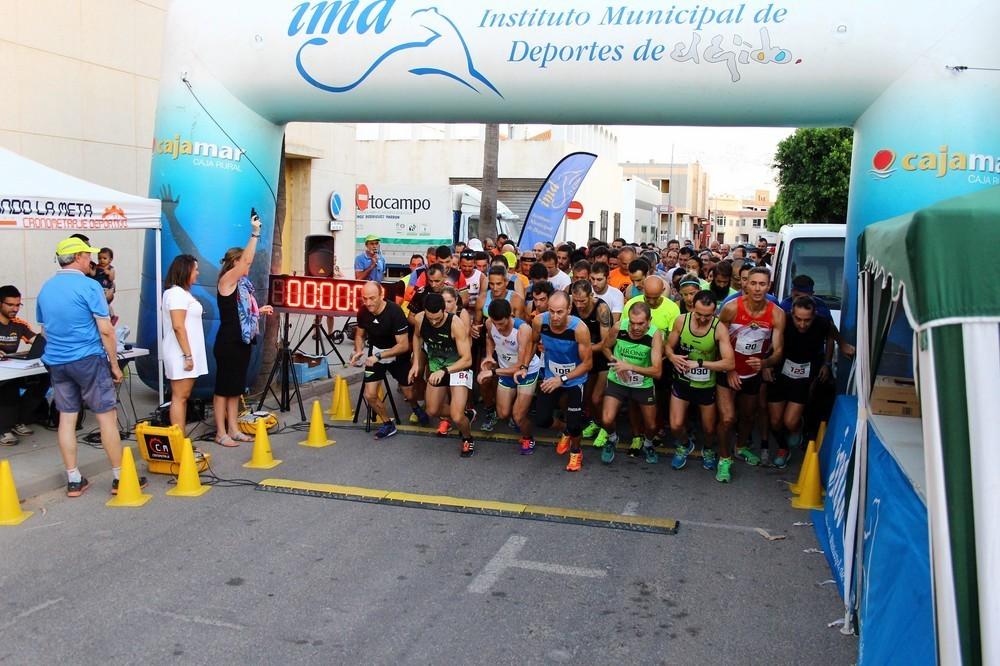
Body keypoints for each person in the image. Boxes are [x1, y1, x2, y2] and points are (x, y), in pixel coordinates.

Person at [36, 237, 138, 497]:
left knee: (67, 418)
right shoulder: (90, 286)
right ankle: (120, 478)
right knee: (106, 417)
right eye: (87, 255)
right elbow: (106, 330)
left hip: (57, 361)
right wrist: (115, 365)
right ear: (78, 257)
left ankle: (74, 479)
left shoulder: (46, 288)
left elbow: (44, 330)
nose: (91, 260)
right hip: (89, 359)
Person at [716, 267, 785, 479]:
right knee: (728, 419)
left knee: (748, 416)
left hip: (752, 373)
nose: (757, 288)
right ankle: (724, 459)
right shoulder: (731, 308)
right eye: (753, 283)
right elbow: (717, 340)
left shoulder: (777, 314)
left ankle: (740, 446)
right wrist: (729, 368)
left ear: (769, 286)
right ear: (745, 284)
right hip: (728, 371)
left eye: (762, 284)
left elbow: (779, 351)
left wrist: (765, 363)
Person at [213, 211, 274, 447]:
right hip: (228, 342)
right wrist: (255, 233)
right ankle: (221, 432)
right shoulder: (227, 280)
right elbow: (248, 259)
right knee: (223, 388)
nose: (248, 264)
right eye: (243, 261)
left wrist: (260, 311)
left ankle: (233, 428)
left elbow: (243, 313)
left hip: (242, 341)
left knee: (235, 388)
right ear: (235, 263)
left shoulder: (243, 285)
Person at [665, 291, 735, 478]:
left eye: (708, 315)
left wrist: (701, 364)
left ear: (714, 312)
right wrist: (672, 357)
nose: (703, 319)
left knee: (709, 429)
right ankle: (684, 445)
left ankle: (709, 449)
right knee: (675, 426)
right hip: (682, 381)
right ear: (692, 308)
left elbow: (729, 363)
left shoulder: (719, 328)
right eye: (699, 314)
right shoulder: (681, 321)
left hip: (705, 386)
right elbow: (668, 346)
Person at [351, 282, 426, 439]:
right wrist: (358, 351)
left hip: (397, 355)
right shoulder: (363, 311)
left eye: (372, 298)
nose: (368, 303)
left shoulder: (395, 312)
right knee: (370, 395)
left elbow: (404, 345)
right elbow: (359, 334)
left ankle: (415, 407)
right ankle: (387, 423)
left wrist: (380, 356)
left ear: (381, 295)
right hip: (375, 355)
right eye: (365, 298)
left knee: (409, 394)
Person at [531, 292, 593, 471]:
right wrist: (523, 365)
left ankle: (576, 451)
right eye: (551, 311)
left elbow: (587, 364)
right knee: (542, 420)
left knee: (575, 424)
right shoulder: (539, 322)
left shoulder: (579, 329)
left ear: (569, 309)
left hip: (574, 380)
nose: (555, 316)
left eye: (559, 312)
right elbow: (532, 343)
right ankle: (566, 429)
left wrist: (562, 379)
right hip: (551, 377)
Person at [408, 293, 476, 457]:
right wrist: (416, 362)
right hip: (437, 366)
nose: (433, 322)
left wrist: (444, 371)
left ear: (444, 310)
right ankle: (467, 414)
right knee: (432, 410)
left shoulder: (455, 324)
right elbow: (417, 337)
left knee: (457, 417)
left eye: (437, 319)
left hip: (457, 367)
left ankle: (467, 438)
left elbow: (467, 359)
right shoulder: (420, 318)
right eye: (430, 319)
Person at [598, 302, 663, 465]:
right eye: (632, 322)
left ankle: (648, 444)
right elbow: (605, 348)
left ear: (649, 321)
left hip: (642, 385)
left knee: (651, 425)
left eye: (640, 323)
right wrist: (616, 363)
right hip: (618, 381)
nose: (635, 328)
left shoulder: (655, 335)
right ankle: (612, 439)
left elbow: (657, 371)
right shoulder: (619, 327)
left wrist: (630, 367)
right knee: (606, 420)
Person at [480, 298, 541, 454]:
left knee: (518, 416)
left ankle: (528, 437)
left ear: (510, 316)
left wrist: (492, 372)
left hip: (526, 371)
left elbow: (519, 366)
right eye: (495, 324)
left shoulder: (523, 330)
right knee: (503, 414)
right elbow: (489, 338)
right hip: (505, 371)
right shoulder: (490, 324)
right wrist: (489, 355)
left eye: (502, 324)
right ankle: (520, 409)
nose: (498, 328)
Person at [161, 255, 208, 433]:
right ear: (185, 270)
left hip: (185, 352)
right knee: (180, 397)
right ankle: (178, 439)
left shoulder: (181, 293)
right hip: (180, 353)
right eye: (195, 269)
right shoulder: (176, 294)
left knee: (183, 396)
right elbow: (178, 326)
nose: (198, 273)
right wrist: (187, 355)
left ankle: (180, 438)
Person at [0, 285, 49, 446]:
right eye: (10, 305)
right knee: (9, 385)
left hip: (11, 369)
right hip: (4, 375)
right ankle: (3, 429)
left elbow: (38, 341)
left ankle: (18, 420)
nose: (15, 309)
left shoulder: (19, 324)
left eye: (18, 305)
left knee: (44, 379)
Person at [569, 280, 614, 447]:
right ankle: (597, 422)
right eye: (576, 301)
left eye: (583, 301)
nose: (579, 305)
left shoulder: (601, 309)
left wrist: (582, 349)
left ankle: (607, 430)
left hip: (602, 358)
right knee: (586, 397)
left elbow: (605, 343)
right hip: (584, 357)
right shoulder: (570, 305)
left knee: (596, 398)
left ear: (591, 296)